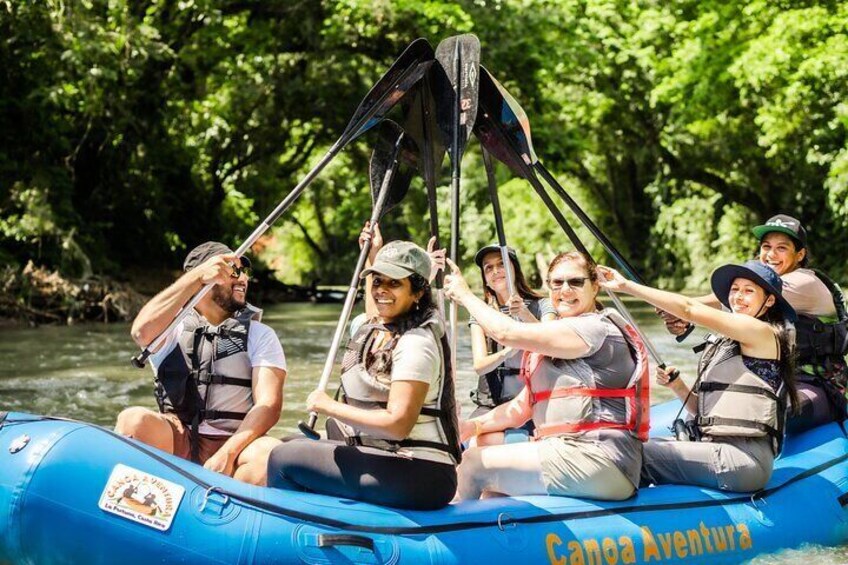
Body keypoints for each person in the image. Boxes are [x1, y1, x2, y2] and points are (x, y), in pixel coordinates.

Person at [267, 239, 462, 510]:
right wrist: (373, 249)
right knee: (289, 442)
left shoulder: (417, 342)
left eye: (394, 283)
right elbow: (374, 311)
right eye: (377, 282)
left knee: (284, 459)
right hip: (389, 457)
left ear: (417, 292)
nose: (381, 290)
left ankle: (301, 535)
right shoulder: (380, 328)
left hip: (423, 473)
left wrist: (329, 407)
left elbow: (398, 425)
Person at [443, 251, 648, 501]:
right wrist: (470, 427)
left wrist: (464, 295)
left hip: (600, 457)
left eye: (575, 282)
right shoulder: (562, 335)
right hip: (568, 452)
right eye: (557, 283)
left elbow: (506, 332)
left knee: (474, 463)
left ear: (595, 287)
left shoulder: (593, 327)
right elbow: (520, 408)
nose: (565, 290)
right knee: (491, 479)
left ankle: (447, 535)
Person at [600, 260, 799, 492]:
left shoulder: (762, 333)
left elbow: (687, 309)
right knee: (637, 443)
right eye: (735, 289)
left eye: (749, 291)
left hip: (743, 459)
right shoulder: (727, 342)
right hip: (716, 449)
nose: (738, 296)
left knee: (633, 453)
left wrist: (625, 285)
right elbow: (702, 412)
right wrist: (678, 385)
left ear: (769, 301)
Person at [116, 242, 287, 485]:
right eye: (233, 271)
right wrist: (196, 277)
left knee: (269, 455)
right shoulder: (171, 329)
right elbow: (141, 333)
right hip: (179, 435)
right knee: (132, 420)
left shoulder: (260, 335)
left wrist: (227, 453)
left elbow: (269, 405)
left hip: (236, 442)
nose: (243, 279)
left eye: (245, 272)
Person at [659, 214, 846, 433]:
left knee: (766, 414)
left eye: (782, 248)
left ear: (800, 254)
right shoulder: (757, 290)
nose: (771, 255)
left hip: (820, 385)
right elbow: (735, 301)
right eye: (766, 247)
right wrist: (684, 314)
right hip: (777, 379)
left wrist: (684, 310)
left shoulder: (804, 282)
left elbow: (733, 302)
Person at [468, 245, 556, 445]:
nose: (496, 271)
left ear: (514, 269)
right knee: (470, 442)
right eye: (488, 268)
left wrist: (525, 314)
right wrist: (508, 351)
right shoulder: (481, 314)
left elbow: (552, 344)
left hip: (534, 401)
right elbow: (479, 365)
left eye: (502, 265)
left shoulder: (543, 306)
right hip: (493, 404)